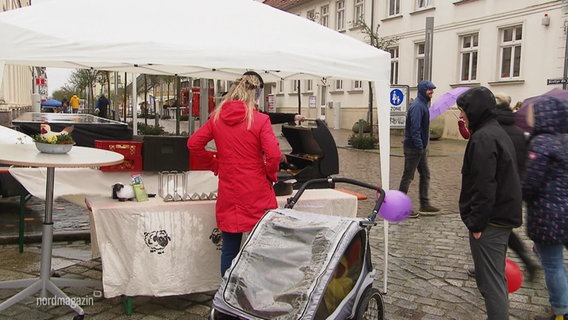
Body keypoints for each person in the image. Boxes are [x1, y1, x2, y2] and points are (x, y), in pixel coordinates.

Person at [186, 73, 281, 278]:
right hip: (257, 191)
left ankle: (227, 296)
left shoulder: (217, 119)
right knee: (262, 247)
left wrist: (215, 164)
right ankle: (257, 293)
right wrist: (270, 175)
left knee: (229, 247)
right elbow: (274, 155)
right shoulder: (260, 120)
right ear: (255, 94)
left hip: (230, 191)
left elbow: (193, 144)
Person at [456, 86, 523, 320]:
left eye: (463, 110)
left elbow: (485, 185)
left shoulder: (484, 137)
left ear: (475, 110)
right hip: (499, 216)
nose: (461, 115)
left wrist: (476, 224)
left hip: (491, 221)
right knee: (493, 277)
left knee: (491, 281)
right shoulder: (493, 131)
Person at [464, 92, 539, 281]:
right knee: (504, 229)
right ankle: (519, 260)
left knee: (495, 230)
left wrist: (475, 219)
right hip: (515, 186)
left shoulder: (491, 132)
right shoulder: (516, 130)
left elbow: (485, 179)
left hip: (498, 191)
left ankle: (492, 265)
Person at [522, 96, 568, 320]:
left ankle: (561, 312)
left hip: (550, 215)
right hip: (565, 211)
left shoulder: (541, 144)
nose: (530, 116)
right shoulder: (563, 140)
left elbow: (530, 183)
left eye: (534, 112)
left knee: (552, 264)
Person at [398, 80, 440, 218]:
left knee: (425, 174)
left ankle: (424, 204)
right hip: (414, 148)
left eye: (432, 90)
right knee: (408, 177)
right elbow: (415, 129)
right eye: (429, 90)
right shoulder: (417, 106)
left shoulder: (422, 105)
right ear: (423, 90)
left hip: (419, 148)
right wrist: (420, 146)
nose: (432, 92)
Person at [241, 71, 305, 124]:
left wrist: (293, 117)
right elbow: (267, 118)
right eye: (258, 91)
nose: (257, 96)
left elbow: (268, 117)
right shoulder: (248, 111)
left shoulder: (233, 106)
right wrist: (292, 117)